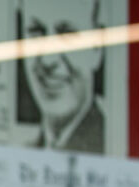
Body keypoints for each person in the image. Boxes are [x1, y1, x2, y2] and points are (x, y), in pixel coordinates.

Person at [19, 0, 105, 153]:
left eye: (67, 35)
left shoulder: (110, 144)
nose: (47, 60)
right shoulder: (24, 149)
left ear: (96, 48)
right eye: (36, 32)